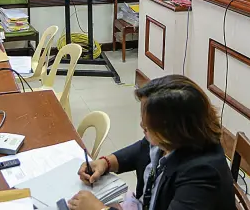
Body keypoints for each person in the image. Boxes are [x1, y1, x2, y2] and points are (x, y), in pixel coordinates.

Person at [69, 75, 236, 210]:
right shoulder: (172, 142)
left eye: (148, 126)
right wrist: (105, 163)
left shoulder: (202, 174)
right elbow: (142, 149)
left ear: (173, 131)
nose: (142, 125)